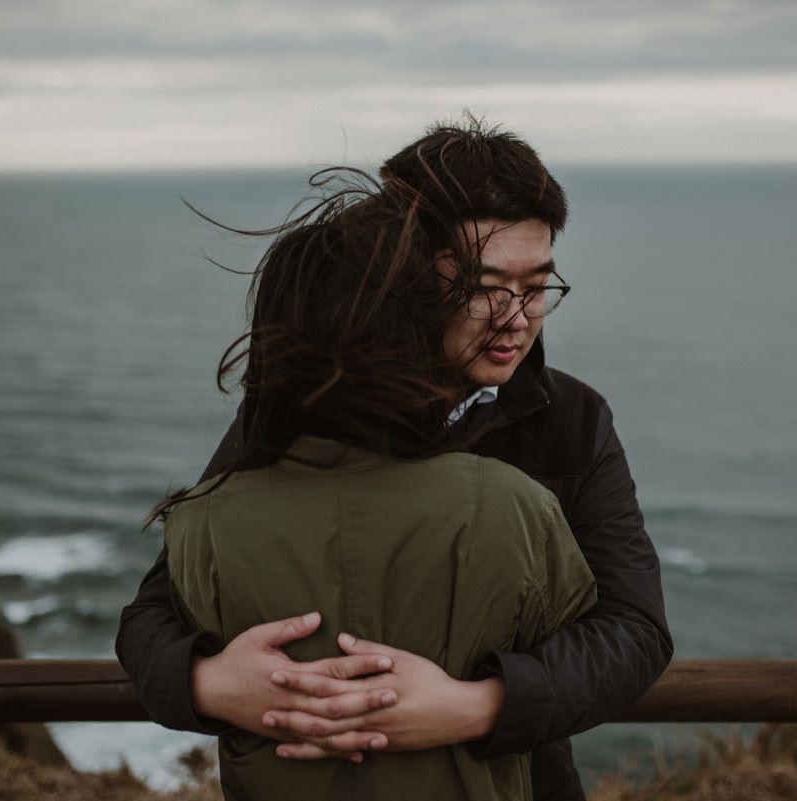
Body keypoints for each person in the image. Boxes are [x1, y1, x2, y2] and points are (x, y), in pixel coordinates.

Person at [117, 117, 674, 801]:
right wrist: (208, 682)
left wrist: (479, 704)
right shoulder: (303, 406)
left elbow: (636, 630)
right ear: (408, 273)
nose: (515, 317)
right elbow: (154, 609)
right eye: (484, 286)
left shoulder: (574, 419)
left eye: (536, 287)